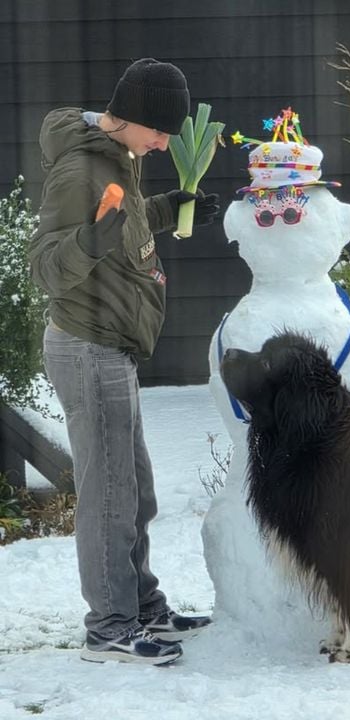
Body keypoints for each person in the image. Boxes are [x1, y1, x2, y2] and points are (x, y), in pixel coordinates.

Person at [28, 58, 221, 665]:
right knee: (110, 496)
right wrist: (94, 239)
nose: (166, 142)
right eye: (160, 131)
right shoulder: (81, 169)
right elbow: (46, 267)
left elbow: (124, 227)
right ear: (129, 116)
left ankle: (141, 605)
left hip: (113, 346)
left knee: (135, 491)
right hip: (87, 347)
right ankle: (109, 626)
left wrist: (172, 207)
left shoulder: (118, 159)